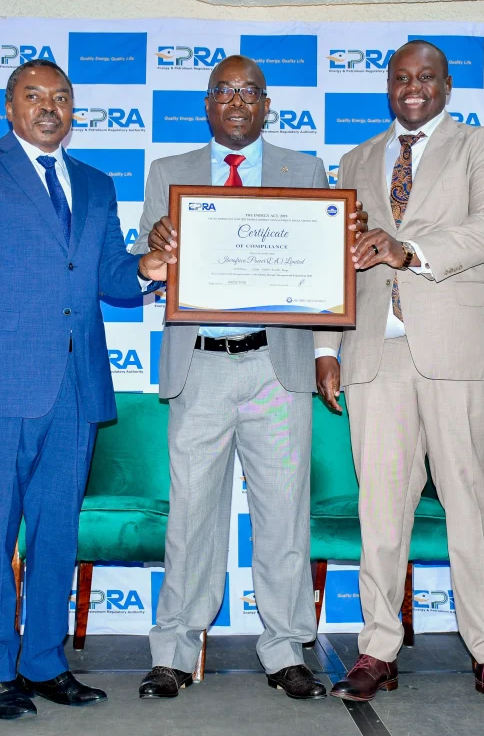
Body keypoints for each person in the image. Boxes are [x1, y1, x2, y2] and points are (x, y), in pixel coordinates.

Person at [0, 59, 170, 720]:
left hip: (77, 384)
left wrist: (147, 267)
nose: (48, 106)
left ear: (73, 108)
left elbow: (111, 276)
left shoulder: (94, 182)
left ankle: (43, 662)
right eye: (33, 95)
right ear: (9, 107)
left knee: (58, 533)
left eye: (61, 97)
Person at [131, 54, 365, 701]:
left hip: (277, 364)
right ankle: (175, 650)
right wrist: (156, 253)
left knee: (284, 516)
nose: (236, 101)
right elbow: (144, 266)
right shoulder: (168, 173)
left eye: (249, 91)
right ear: (207, 104)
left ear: (267, 106)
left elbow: (326, 273)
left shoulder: (306, 170)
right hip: (199, 362)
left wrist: (327, 350)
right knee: (191, 516)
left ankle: (287, 648)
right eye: (224, 90)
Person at [314, 40, 484, 709]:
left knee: (468, 498)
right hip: (374, 355)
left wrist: (407, 249)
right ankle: (378, 647)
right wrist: (327, 344)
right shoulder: (355, 159)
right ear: (389, 87)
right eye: (402, 78)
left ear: (447, 85)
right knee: (379, 506)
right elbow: (337, 256)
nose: (413, 88)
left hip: (462, 353)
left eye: (427, 77)